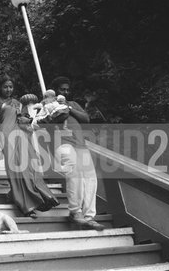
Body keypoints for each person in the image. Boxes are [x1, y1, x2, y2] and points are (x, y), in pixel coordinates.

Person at [0, 75, 59, 218]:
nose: (8, 89)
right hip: (7, 137)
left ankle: (41, 197)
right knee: (15, 170)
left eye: (11, 87)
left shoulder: (17, 102)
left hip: (22, 136)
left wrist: (28, 118)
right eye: (5, 86)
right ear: (0, 87)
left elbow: (23, 120)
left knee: (28, 167)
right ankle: (25, 205)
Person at [50, 76, 105, 231]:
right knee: (75, 174)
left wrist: (69, 107)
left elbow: (86, 119)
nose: (66, 92)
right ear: (55, 91)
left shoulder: (73, 104)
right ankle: (76, 212)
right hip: (63, 144)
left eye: (67, 89)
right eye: (62, 89)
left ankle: (89, 217)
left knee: (90, 178)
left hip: (80, 145)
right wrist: (58, 107)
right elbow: (53, 119)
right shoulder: (49, 104)